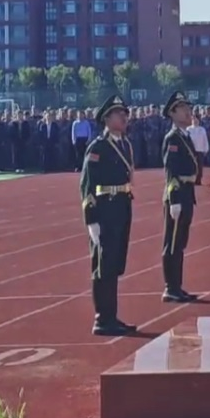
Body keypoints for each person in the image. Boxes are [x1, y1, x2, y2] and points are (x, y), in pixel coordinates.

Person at [81, 95, 137, 337]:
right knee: (103, 265)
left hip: (121, 207)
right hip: (104, 209)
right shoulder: (98, 147)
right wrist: (91, 218)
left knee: (114, 264)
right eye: (118, 113)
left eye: (125, 113)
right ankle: (102, 319)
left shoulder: (125, 145)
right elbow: (87, 185)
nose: (124, 117)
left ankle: (111, 316)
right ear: (106, 118)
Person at [160, 91, 200, 303]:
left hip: (187, 193)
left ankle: (177, 286)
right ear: (173, 113)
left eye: (188, 107)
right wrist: (174, 199)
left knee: (180, 243)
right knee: (173, 242)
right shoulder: (172, 139)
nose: (188, 111)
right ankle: (171, 287)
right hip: (177, 195)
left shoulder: (185, 136)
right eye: (183, 108)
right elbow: (171, 171)